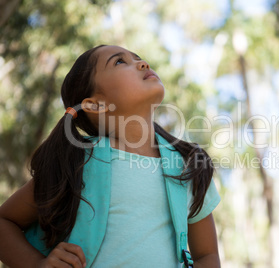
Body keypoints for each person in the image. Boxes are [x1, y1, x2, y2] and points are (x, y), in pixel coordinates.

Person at [0, 45, 221, 268]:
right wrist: (38, 264)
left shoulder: (187, 166)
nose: (142, 63)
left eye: (139, 57)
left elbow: (208, 255)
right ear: (95, 104)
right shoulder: (76, 162)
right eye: (119, 62)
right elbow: (4, 221)